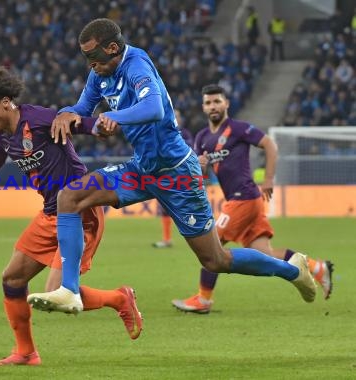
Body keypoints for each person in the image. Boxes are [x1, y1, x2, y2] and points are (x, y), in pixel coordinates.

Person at [26, 18, 316, 315]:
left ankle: (293, 271)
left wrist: (118, 116)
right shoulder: (99, 75)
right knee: (69, 197)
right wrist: (64, 113)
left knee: (216, 260)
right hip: (141, 171)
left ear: (112, 48)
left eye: (93, 57)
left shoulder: (136, 65)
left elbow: (155, 108)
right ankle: (70, 291)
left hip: (178, 174)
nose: (89, 64)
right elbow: (82, 109)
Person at [0, 67, 143, 366]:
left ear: (6, 103)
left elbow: (82, 124)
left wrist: (101, 126)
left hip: (80, 211)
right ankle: (26, 352)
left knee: (55, 293)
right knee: (12, 279)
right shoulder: (4, 136)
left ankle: (119, 298)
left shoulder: (40, 119)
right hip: (50, 214)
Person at [172, 84, 334, 313]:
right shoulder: (202, 137)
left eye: (217, 101)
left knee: (211, 244)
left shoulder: (238, 129)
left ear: (226, 103)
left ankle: (203, 299)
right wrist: (200, 166)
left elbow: (269, 144)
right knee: (265, 254)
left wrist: (268, 178)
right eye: (208, 102)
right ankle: (317, 268)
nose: (213, 106)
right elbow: (197, 169)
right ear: (203, 107)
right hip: (243, 201)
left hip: (244, 198)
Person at [152, 109, 194, 249]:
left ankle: (197, 237)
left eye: (177, 115)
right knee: (165, 208)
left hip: (182, 176)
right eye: (173, 115)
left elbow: (188, 150)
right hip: (166, 176)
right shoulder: (160, 132)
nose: (175, 118)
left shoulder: (185, 134)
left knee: (187, 207)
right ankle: (167, 239)